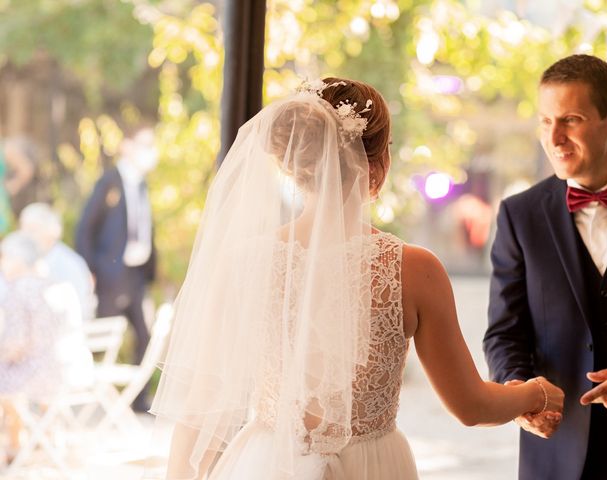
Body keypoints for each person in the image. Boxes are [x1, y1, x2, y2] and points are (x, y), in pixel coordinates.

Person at [149, 78, 563, 480]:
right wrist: (536, 392)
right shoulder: (413, 268)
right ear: (379, 163)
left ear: (297, 165)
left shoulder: (244, 262)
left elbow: (199, 414)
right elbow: (471, 406)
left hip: (267, 461)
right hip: (371, 468)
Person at [483, 54, 607, 480]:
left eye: (570, 119)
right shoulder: (519, 216)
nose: (554, 137)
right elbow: (504, 332)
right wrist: (518, 393)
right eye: (545, 121)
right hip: (557, 456)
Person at [75, 124, 157, 411]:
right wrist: (91, 270)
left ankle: (138, 399)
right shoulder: (109, 182)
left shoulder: (143, 184)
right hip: (111, 275)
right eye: (144, 145)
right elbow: (86, 228)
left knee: (144, 335)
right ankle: (94, 398)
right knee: (104, 336)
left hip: (136, 275)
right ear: (127, 146)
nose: (150, 152)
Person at [0, 231, 63, 460]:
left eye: (4, 257)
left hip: (36, 376)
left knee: (3, 374)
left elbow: (15, 344)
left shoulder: (17, 291)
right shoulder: (56, 285)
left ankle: (14, 444)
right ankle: (45, 435)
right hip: (64, 370)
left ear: (17, 260)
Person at [19, 202, 95, 323]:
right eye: (23, 230)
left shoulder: (70, 264)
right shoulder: (20, 261)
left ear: (52, 232)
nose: (25, 237)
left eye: (32, 230)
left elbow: (78, 312)